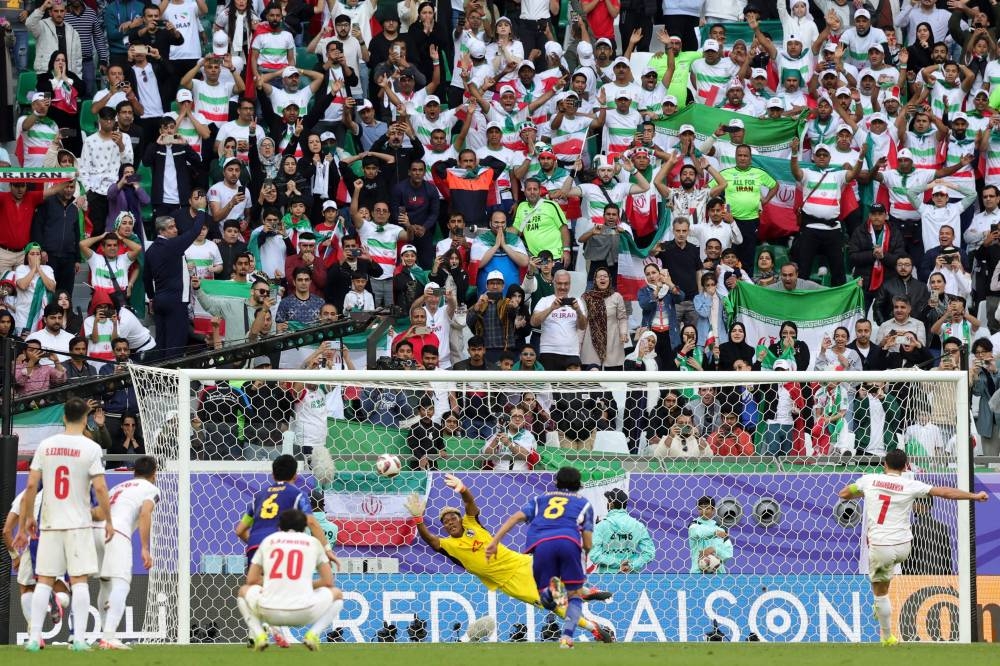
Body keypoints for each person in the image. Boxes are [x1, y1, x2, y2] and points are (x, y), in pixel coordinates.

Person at [405, 474, 612, 642]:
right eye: (445, 522)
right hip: (509, 581)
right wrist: (418, 520)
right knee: (555, 605)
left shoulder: (472, 523)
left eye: (453, 518)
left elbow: (469, 502)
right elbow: (430, 540)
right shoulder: (448, 545)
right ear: (444, 527)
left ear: (460, 519)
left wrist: (462, 488)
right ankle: (593, 628)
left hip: (520, 561)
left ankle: (586, 592)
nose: (450, 522)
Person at [837, 449, 988, 645]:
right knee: (887, 574)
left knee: (880, 593)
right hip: (903, 547)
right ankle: (881, 604)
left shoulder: (869, 480)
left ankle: (887, 636)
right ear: (905, 467)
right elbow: (945, 493)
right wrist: (974, 496)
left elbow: (843, 494)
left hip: (881, 546)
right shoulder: (910, 485)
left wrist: (864, 492)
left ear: (884, 465)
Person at [14, 397, 114, 652]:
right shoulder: (90, 447)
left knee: (44, 580)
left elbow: (30, 485)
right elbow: (101, 488)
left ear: (63, 417)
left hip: (49, 524)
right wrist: (108, 519)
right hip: (78, 524)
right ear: (85, 418)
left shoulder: (46, 445)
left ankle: (34, 638)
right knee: (79, 581)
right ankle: (78, 639)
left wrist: (27, 521)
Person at [486, 466, 599, 649]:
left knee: (545, 598)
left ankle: (553, 592)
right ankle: (567, 638)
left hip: (542, 545)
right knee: (575, 595)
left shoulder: (541, 499)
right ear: (579, 485)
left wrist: (494, 541)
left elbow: (515, 518)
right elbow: (587, 542)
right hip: (569, 543)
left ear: (556, 482)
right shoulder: (584, 504)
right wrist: (585, 551)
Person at [236, 508, 344, 652]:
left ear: (279, 526)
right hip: (304, 613)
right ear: (304, 527)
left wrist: (276, 583)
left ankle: (259, 634)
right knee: (337, 594)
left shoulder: (268, 541)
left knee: (244, 591)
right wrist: (302, 584)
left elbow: (252, 579)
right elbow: (328, 582)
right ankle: (313, 634)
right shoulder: (314, 542)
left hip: (270, 612)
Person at [96, 455, 158, 650]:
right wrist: (145, 548)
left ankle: (105, 636)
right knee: (122, 582)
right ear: (154, 474)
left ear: (134, 472)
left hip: (96, 530)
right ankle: (109, 637)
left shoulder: (118, 487)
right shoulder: (151, 488)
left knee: (105, 583)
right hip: (117, 531)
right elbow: (145, 513)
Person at [234, 455, 338, 568]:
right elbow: (312, 522)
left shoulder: (259, 497)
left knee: (258, 579)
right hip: (278, 547)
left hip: (255, 547)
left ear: (273, 475)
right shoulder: (298, 495)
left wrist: (258, 543)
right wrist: (327, 550)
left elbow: (239, 531)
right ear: (295, 476)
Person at [144, 214, 205, 357]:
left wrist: (152, 298)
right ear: (161, 231)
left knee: (161, 344)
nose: (176, 230)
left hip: (159, 301)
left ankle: (159, 370)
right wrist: (202, 210)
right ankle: (173, 372)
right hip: (176, 302)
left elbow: (146, 278)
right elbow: (196, 230)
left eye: (175, 226)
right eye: (171, 227)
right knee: (175, 345)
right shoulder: (172, 245)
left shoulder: (150, 250)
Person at [531, 270, 588, 371]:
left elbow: (583, 326)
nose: (563, 287)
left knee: (572, 382)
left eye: (566, 284)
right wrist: (551, 308)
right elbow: (533, 322)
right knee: (549, 382)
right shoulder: (545, 300)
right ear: (554, 283)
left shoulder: (577, 301)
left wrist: (578, 311)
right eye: (559, 283)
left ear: (570, 284)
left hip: (571, 353)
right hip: (549, 352)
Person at [589, 489, 655, 574]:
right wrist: (631, 565)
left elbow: (594, 555)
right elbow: (649, 553)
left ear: (611, 504)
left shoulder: (601, 526)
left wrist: (617, 563)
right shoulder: (638, 526)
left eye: (608, 501)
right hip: (631, 577)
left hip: (606, 577)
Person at [687, 496, 734, 574]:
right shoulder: (694, 525)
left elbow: (728, 553)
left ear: (713, 510)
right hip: (697, 574)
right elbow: (699, 532)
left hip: (719, 574)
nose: (703, 511)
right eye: (700, 508)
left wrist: (714, 550)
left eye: (707, 508)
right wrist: (715, 532)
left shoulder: (721, 528)